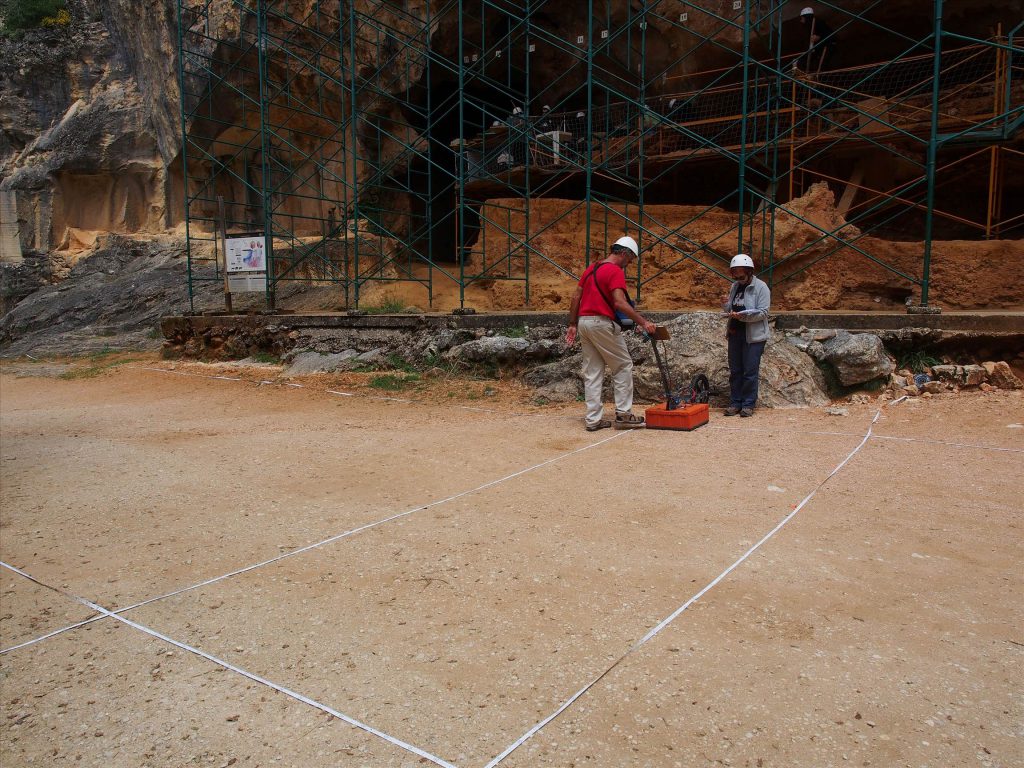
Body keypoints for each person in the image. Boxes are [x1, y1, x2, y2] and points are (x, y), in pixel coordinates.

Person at [565, 236, 657, 431]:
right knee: (623, 365)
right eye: (630, 258)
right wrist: (643, 322)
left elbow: (575, 297)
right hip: (602, 323)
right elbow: (619, 302)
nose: (629, 263)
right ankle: (624, 415)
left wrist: (572, 323)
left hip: (584, 322)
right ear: (624, 253)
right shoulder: (614, 271)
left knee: (592, 372)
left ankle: (593, 420)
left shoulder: (592, 269)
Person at [722, 253, 771, 417]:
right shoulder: (735, 286)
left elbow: (763, 312)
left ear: (749, 272)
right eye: (735, 274)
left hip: (753, 336)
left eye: (741, 275)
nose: (738, 278)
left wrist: (744, 316)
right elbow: (732, 308)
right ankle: (735, 402)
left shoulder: (761, 287)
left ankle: (748, 404)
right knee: (735, 370)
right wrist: (725, 305)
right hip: (735, 332)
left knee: (750, 371)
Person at [796, 6, 836, 73]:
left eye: (802, 18)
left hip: (827, 47)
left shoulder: (819, 23)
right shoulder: (809, 27)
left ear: (807, 17)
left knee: (822, 65)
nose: (801, 21)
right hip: (818, 48)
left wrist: (819, 37)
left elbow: (830, 35)